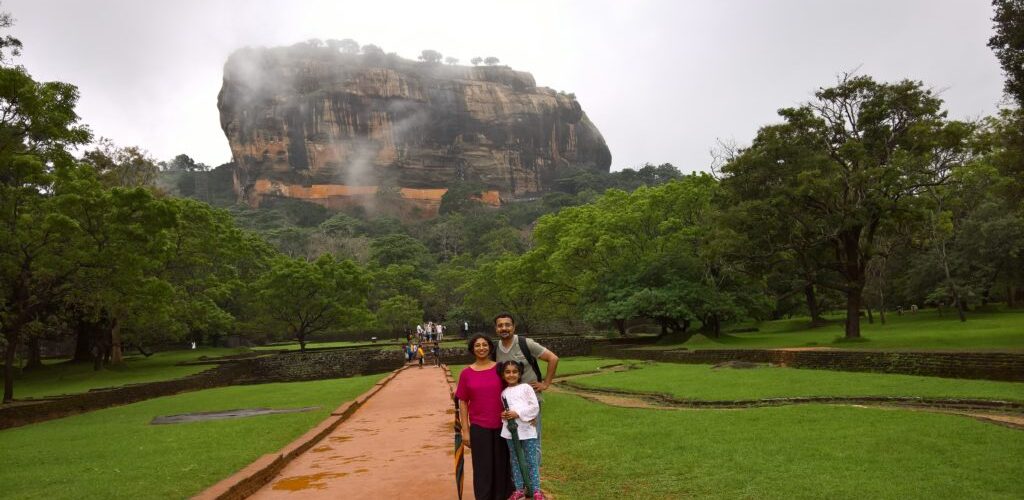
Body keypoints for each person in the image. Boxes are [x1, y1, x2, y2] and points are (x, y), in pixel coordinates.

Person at [455, 335, 514, 500]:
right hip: (479, 427)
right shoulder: (466, 373)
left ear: (490, 347)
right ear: (472, 349)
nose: (481, 348)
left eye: (485, 345)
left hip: (502, 425)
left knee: (502, 465)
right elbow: (463, 402)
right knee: (483, 468)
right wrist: (465, 431)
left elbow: (513, 390)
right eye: (477, 345)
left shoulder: (500, 369)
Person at [493, 313, 558, 462]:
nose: (504, 328)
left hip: (530, 403)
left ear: (514, 327)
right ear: (496, 329)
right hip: (509, 404)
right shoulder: (495, 349)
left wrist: (546, 383)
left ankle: (533, 480)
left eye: (507, 325)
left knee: (532, 440)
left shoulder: (525, 343)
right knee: (512, 440)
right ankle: (519, 480)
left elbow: (553, 358)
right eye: (500, 325)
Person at [498, 360, 543, 500]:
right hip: (511, 433)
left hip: (527, 431)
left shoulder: (526, 388)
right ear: (503, 375)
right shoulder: (504, 393)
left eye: (514, 371)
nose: (511, 375)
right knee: (515, 460)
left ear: (520, 373)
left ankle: (535, 489)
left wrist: (517, 413)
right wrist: (504, 415)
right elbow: (506, 412)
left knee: (531, 460)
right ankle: (519, 488)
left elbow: (534, 407)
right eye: (507, 372)